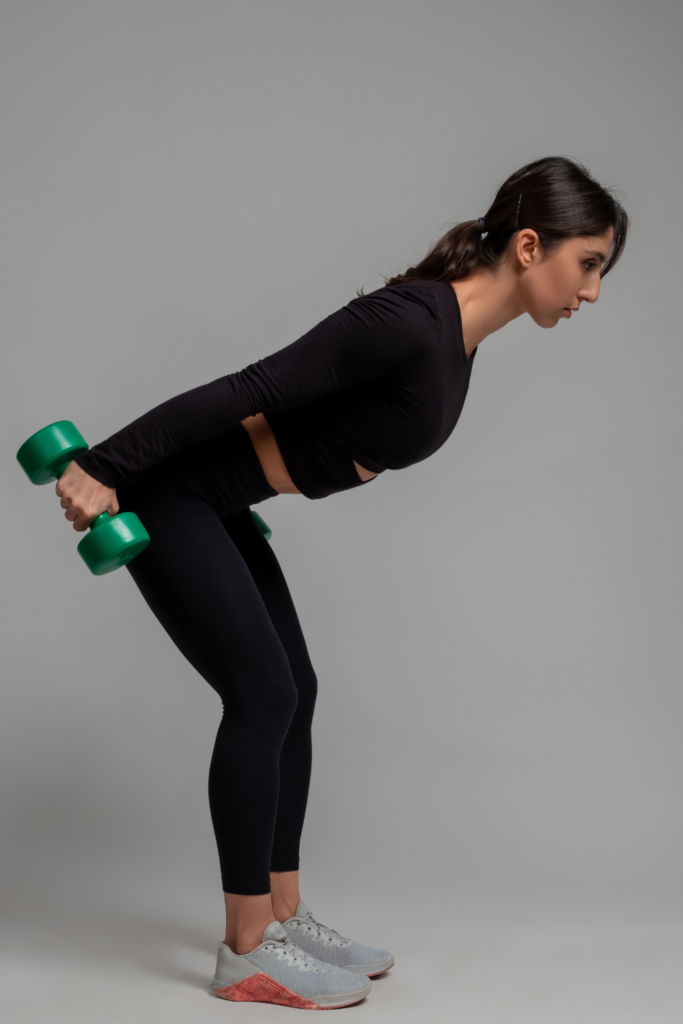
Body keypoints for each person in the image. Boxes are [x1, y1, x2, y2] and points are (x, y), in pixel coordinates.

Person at [54, 156, 628, 1010]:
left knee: (298, 691)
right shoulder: (408, 323)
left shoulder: (458, 341)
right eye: (588, 264)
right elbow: (247, 388)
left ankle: (282, 916)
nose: (591, 291)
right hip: (172, 496)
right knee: (262, 695)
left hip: (221, 503)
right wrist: (104, 464)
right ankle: (245, 950)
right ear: (530, 243)